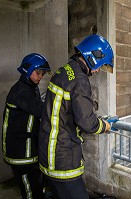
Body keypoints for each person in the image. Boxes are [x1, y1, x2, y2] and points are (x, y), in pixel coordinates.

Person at [38, 34, 113, 199]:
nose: (98, 70)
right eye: (100, 65)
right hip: (62, 157)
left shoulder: (64, 70)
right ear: (93, 57)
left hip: (48, 150)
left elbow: (68, 109)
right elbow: (87, 123)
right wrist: (105, 125)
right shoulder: (80, 80)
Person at [2, 53, 51, 199]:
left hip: (28, 150)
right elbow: (42, 111)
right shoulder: (21, 91)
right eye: (38, 73)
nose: (41, 77)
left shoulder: (30, 87)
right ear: (27, 70)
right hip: (21, 153)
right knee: (30, 191)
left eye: (42, 74)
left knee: (37, 184)